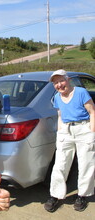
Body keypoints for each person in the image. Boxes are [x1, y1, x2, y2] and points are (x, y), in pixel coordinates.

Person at [44, 69, 95, 212]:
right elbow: (60, 116)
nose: (59, 85)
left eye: (61, 81)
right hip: (65, 131)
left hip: (83, 129)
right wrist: (60, 133)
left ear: (68, 80)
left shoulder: (80, 93)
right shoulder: (58, 97)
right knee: (60, 164)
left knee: (86, 164)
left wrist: (92, 133)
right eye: (55, 83)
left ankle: (82, 195)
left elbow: (92, 112)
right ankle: (55, 195)